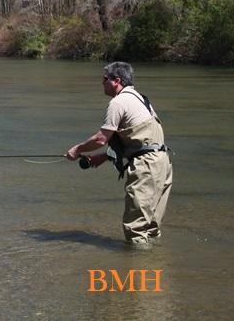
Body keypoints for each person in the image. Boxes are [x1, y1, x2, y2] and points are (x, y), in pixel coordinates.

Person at [65, 61, 173, 247]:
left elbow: (101, 139)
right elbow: (140, 140)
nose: (102, 83)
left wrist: (77, 149)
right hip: (162, 163)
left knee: (135, 228)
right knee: (151, 226)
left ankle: (137, 271)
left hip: (146, 166)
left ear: (116, 80)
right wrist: (104, 157)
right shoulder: (141, 98)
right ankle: (154, 267)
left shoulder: (118, 102)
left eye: (104, 79)